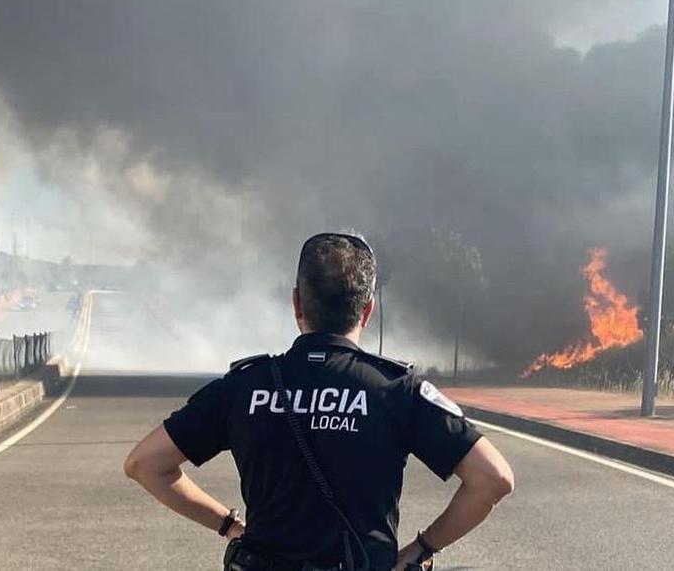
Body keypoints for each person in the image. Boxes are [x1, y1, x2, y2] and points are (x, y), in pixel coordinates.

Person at [124, 232, 514, 570]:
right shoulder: (396, 389)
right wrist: (421, 548)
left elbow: (145, 464)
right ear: (367, 310)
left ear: (297, 303)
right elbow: (493, 479)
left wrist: (228, 526)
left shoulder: (244, 386)